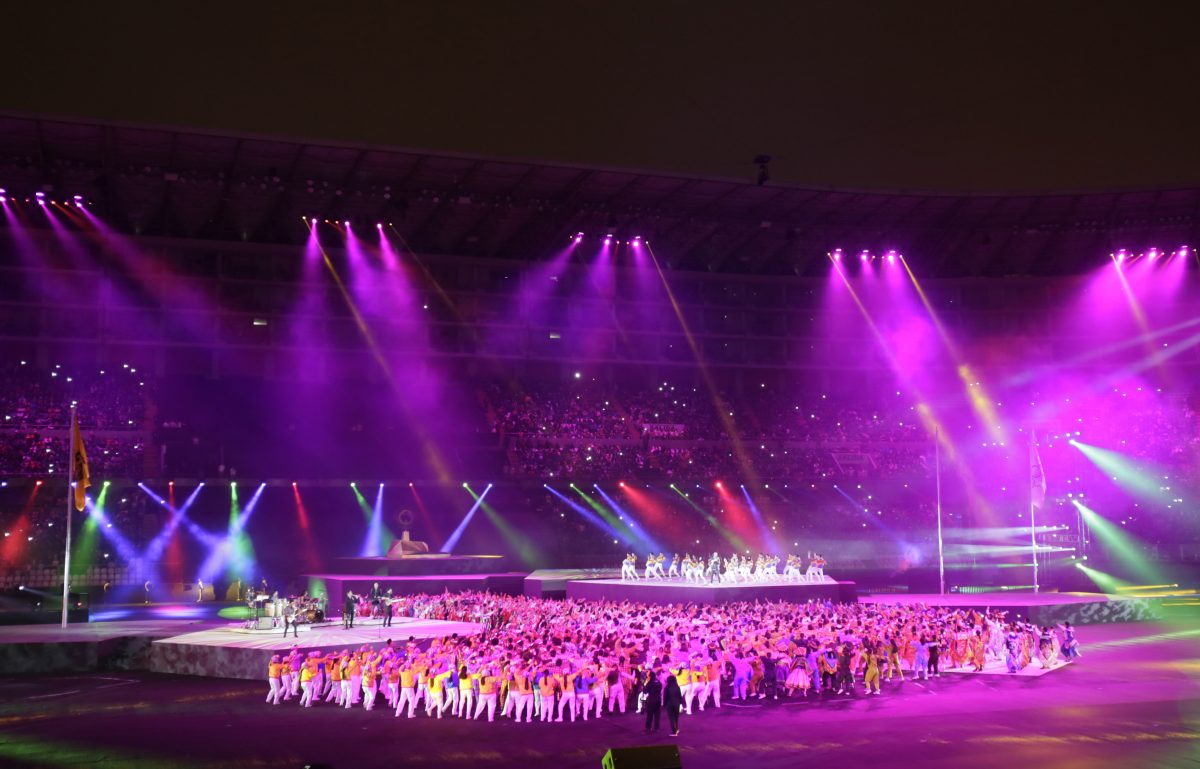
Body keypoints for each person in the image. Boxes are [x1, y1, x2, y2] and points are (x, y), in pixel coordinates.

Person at [642, 668, 663, 734]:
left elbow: (645, 691)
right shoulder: (658, 682)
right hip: (658, 699)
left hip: (651, 700)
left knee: (650, 715)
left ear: (650, 676)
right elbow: (660, 688)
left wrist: (645, 684)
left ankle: (648, 728)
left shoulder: (650, 682)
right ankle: (656, 728)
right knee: (657, 715)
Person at [663, 671, 683, 738]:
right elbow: (680, 696)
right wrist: (680, 703)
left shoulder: (667, 688)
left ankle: (674, 732)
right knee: (676, 717)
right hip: (676, 704)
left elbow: (665, 697)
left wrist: (664, 705)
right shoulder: (677, 687)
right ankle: (677, 729)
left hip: (670, 705)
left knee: (671, 718)